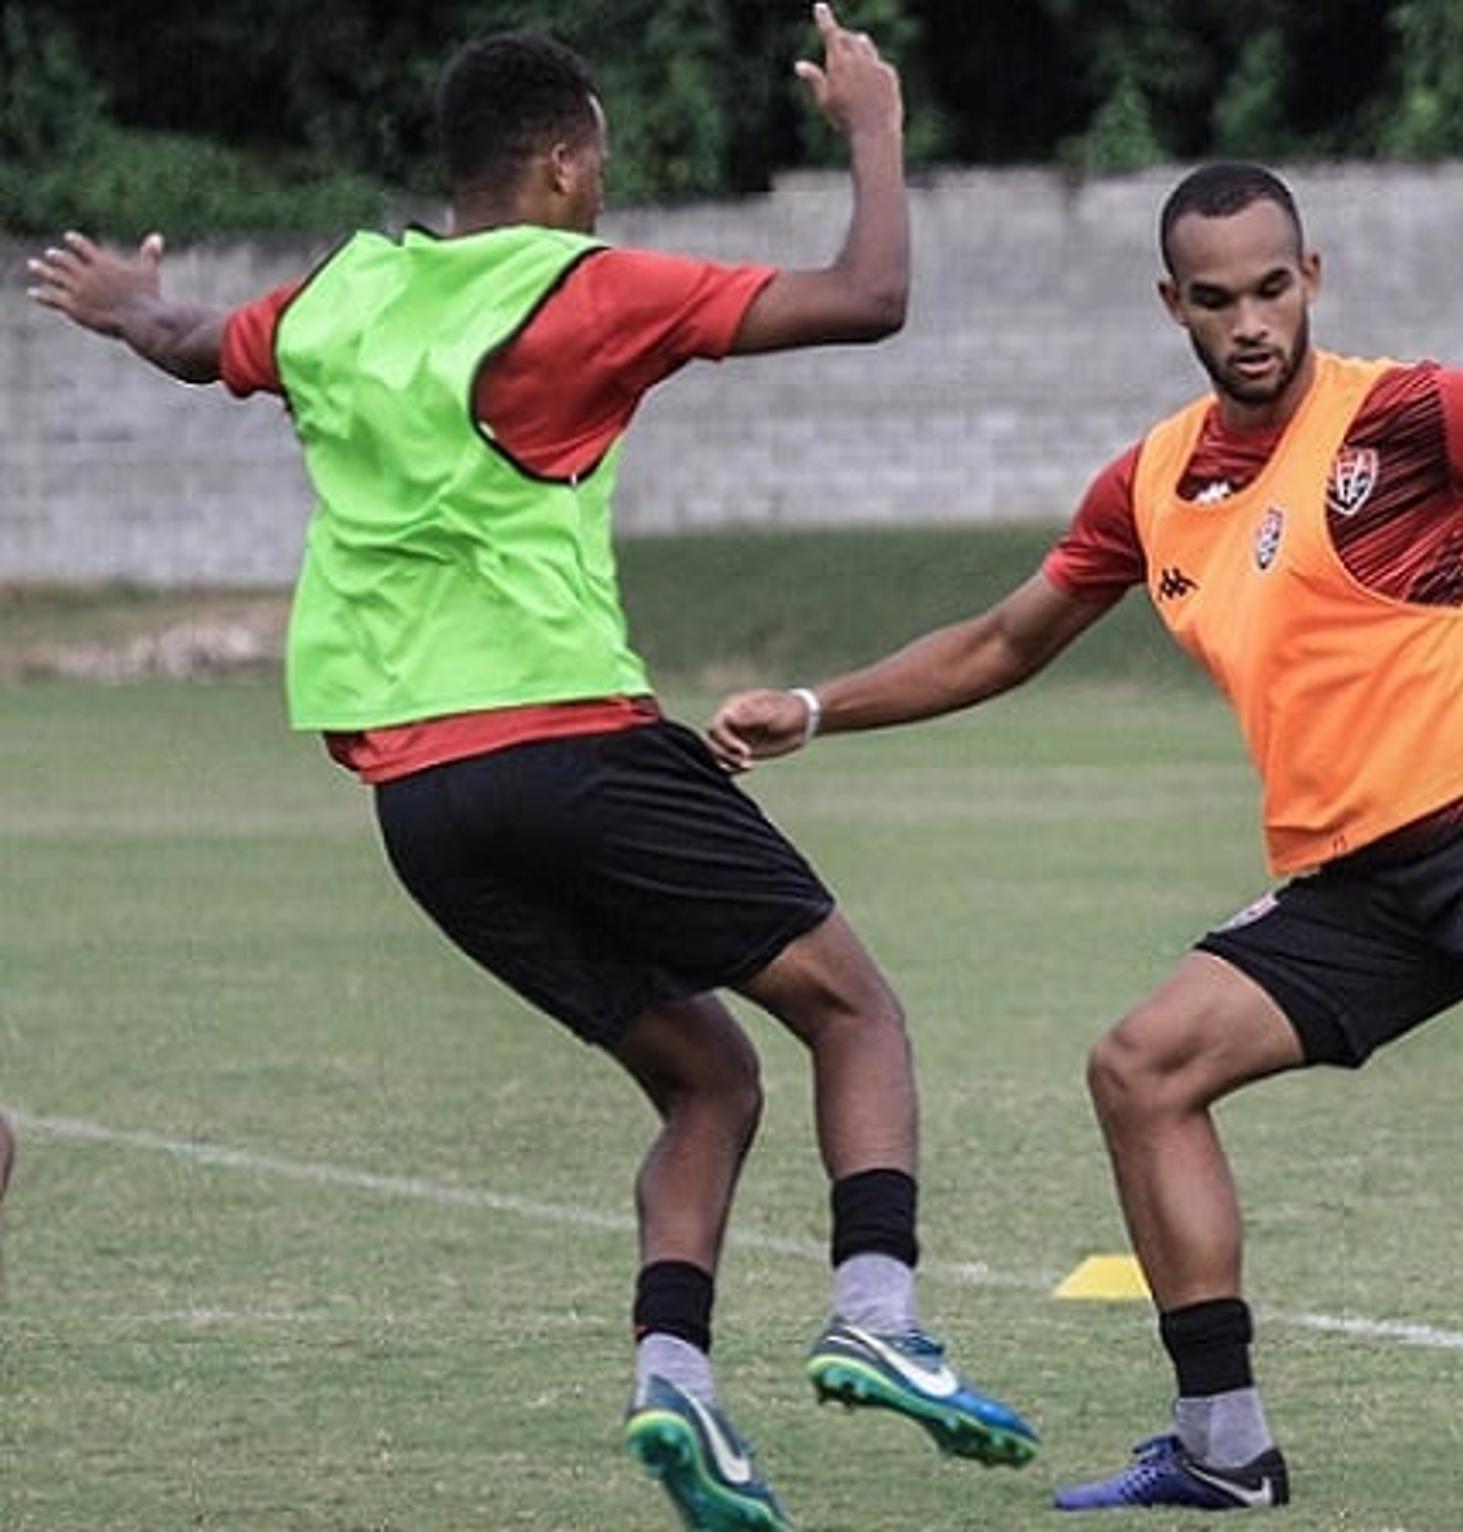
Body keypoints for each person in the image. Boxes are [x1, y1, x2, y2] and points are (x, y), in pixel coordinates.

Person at [706, 162, 1463, 1525]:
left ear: (1313, 278)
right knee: (1141, 1066)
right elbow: (1005, 642)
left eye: (1273, 288)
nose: (1250, 320)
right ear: (1173, 303)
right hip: (1351, 876)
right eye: (1217, 298)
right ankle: (1223, 1444)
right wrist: (819, 709)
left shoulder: (1417, 414)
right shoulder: (1152, 483)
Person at [26, 12, 1036, 1531]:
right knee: (855, 1013)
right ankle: (880, 1318)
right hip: (568, 742)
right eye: (602, 165)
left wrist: (123, 304)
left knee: (707, 1080)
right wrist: (873, 126)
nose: (605, 191)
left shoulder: (343, 296)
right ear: (563, 162)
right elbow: (868, 296)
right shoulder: (582, 290)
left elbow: (187, 347)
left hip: (422, 807)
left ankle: (676, 1387)